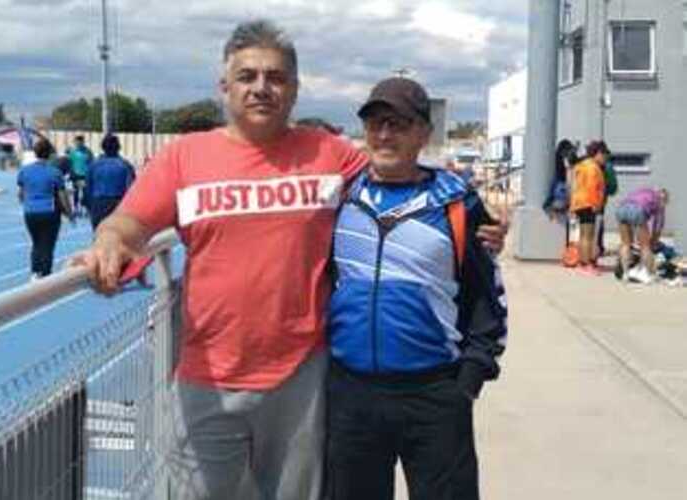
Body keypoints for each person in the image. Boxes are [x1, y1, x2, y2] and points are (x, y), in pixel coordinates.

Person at [71, 20, 509, 500]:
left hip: (303, 377)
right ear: (225, 87)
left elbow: (401, 165)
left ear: (295, 90)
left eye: (276, 77)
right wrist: (109, 240)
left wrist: (479, 213)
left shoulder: (329, 153)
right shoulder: (184, 157)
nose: (262, 87)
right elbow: (129, 222)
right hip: (207, 374)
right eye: (248, 76)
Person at [325, 78, 508, 500]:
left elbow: (488, 298)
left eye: (399, 124)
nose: (385, 135)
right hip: (352, 395)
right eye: (375, 124)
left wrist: (469, 381)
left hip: (435, 395)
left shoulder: (458, 203)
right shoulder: (338, 197)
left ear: (423, 133)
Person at [17, 138, 73, 280]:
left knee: (36, 242)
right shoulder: (55, 173)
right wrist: (69, 213)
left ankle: (35, 272)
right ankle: (46, 274)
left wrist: (28, 203)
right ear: (49, 154)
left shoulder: (24, 171)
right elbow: (62, 196)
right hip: (49, 211)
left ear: (35, 153)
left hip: (30, 212)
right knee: (47, 244)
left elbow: (21, 194)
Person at [615, 187, 669, 284]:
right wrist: (653, 242)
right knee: (645, 246)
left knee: (626, 244)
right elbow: (658, 228)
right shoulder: (659, 202)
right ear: (664, 199)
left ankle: (625, 274)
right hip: (637, 209)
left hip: (621, 208)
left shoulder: (646, 191)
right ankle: (648, 275)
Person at [569, 140, 608, 275]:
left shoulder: (582, 166)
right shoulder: (593, 167)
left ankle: (582, 263)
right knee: (588, 235)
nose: (605, 158)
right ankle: (586, 264)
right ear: (597, 154)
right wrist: (596, 205)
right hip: (588, 203)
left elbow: (576, 186)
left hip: (580, 202)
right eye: (604, 155)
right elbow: (592, 187)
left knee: (583, 235)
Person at [84, 134, 136, 230]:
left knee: (99, 236)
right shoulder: (125, 165)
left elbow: (87, 189)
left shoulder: (94, 166)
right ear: (119, 147)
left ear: (103, 147)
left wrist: (90, 207)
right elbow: (131, 189)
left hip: (98, 204)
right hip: (118, 204)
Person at [66, 135, 94, 217]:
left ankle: (85, 209)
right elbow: (69, 163)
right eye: (76, 142)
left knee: (85, 193)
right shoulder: (72, 152)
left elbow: (91, 163)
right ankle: (76, 208)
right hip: (75, 175)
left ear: (83, 142)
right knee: (76, 192)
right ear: (74, 143)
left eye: (80, 142)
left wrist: (90, 174)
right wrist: (69, 173)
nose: (78, 144)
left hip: (85, 175)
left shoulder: (88, 152)